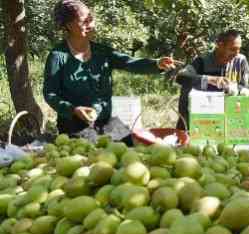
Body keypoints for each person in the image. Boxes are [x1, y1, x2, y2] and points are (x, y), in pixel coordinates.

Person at [43, 0, 175, 140]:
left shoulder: (102, 52)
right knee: (92, 153)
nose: (91, 25)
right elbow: (50, 93)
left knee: (131, 145)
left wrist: (156, 64)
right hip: (74, 125)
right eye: (85, 21)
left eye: (91, 19)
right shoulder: (58, 56)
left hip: (105, 122)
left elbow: (129, 63)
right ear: (69, 25)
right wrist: (73, 110)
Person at [175, 30, 249, 130]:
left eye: (239, 49)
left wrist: (231, 88)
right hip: (203, 113)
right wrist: (209, 80)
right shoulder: (203, 60)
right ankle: (184, 129)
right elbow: (181, 77)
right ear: (220, 45)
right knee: (187, 87)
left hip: (230, 115)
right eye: (233, 49)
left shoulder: (240, 61)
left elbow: (246, 88)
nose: (236, 54)